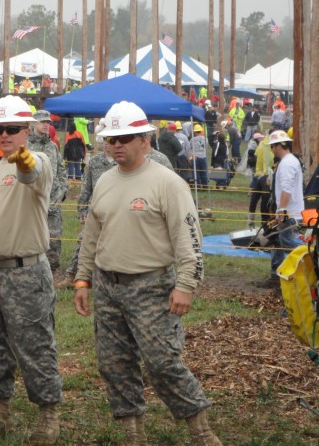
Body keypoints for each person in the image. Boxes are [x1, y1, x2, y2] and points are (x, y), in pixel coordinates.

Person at [73, 100, 222, 446]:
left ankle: (201, 431)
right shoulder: (105, 181)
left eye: (126, 138)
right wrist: (83, 279)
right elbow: (92, 235)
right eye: (111, 140)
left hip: (152, 286)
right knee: (114, 364)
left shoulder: (167, 183)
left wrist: (185, 285)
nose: (117, 145)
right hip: (108, 287)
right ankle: (132, 434)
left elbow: (189, 239)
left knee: (162, 363)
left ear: (145, 139)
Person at [0, 95, 62, 445]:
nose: (4, 135)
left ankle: (48, 414)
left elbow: (33, 173)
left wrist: (26, 160)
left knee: (35, 345)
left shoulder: (37, 160)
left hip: (25, 273)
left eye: (12, 129)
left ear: (26, 131)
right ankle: (0, 412)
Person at [59, 130, 116, 290]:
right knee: (83, 241)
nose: (105, 143)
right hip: (96, 212)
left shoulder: (121, 163)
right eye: (104, 139)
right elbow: (86, 188)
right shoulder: (95, 162)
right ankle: (72, 276)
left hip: (118, 213)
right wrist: (82, 211)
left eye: (109, 139)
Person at [30, 110, 68, 272]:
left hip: (53, 199)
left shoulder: (53, 146)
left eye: (49, 122)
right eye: (43, 122)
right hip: (31, 199)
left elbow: (61, 169)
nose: (46, 125)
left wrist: (62, 189)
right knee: (31, 233)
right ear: (34, 123)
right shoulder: (26, 145)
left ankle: (52, 267)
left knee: (53, 235)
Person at [268, 130, 304, 281]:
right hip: (290, 211)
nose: (272, 150)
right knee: (278, 241)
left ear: (277, 146)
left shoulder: (287, 163)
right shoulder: (290, 161)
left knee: (288, 244)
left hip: (290, 213)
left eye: (272, 146)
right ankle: (276, 274)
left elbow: (286, 189)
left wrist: (281, 211)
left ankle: (303, 268)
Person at [190, 124, 209, 188]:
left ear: (195, 132)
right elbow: (206, 146)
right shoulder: (205, 138)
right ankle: (205, 186)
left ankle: (197, 186)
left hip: (195, 157)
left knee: (196, 172)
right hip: (203, 157)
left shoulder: (192, 139)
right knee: (203, 172)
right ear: (200, 131)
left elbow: (191, 147)